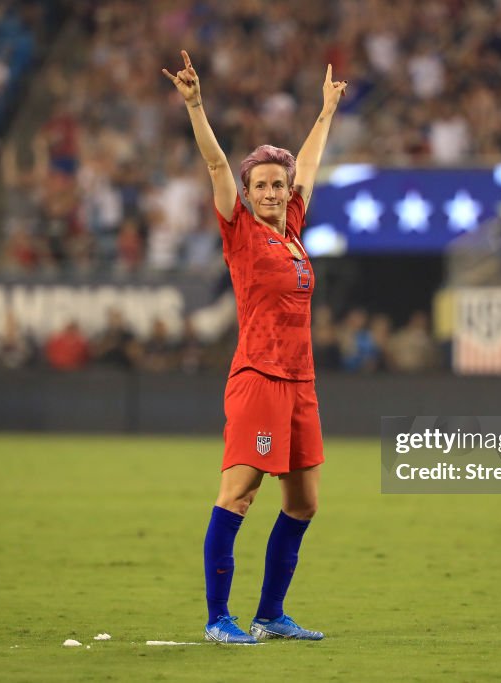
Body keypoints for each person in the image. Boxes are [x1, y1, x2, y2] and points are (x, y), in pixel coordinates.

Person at [162, 50, 346, 644]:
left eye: (278, 184)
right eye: (261, 184)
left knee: (304, 504)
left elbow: (310, 166)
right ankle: (219, 619)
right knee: (238, 496)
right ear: (247, 192)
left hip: (300, 383)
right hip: (258, 378)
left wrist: (324, 114)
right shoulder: (239, 231)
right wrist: (195, 105)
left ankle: (270, 615)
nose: (271, 191)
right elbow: (216, 164)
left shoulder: (292, 230)